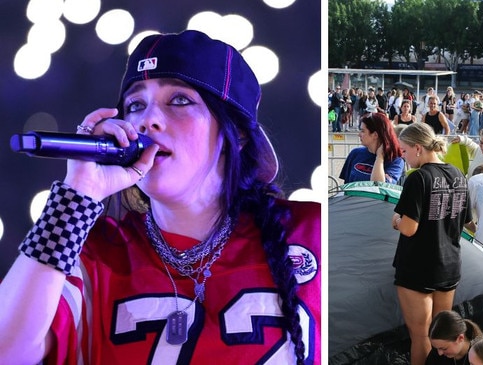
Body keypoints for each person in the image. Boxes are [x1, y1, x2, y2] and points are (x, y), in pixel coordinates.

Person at [0, 30, 321, 364]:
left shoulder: (312, 230)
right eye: (135, 105)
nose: (147, 120)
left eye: (179, 101)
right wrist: (75, 195)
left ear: (236, 133)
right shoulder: (90, 254)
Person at [391, 123, 472, 365]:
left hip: (417, 267)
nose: (403, 157)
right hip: (449, 265)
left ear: (418, 148)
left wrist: (395, 220)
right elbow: (465, 221)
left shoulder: (419, 179)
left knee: (421, 336)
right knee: (442, 335)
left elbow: (408, 227)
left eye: (404, 151)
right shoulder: (458, 175)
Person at [339, 112, 404, 184]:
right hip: (352, 195)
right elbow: (346, 185)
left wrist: (379, 157)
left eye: (363, 131)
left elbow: (379, 186)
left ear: (375, 135)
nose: (359, 134)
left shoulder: (395, 160)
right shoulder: (355, 153)